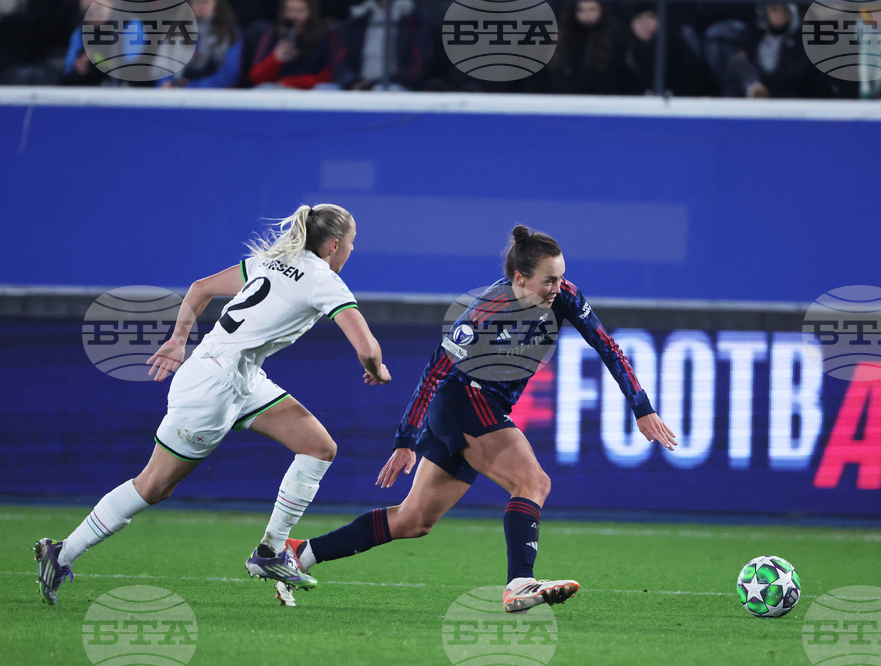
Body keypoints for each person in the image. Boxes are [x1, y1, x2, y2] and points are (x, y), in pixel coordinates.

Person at [273, 225, 677, 611]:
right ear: (520, 278)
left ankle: (299, 554)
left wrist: (642, 408)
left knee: (413, 520)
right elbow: (435, 371)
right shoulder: (487, 311)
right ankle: (520, 583)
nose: (559, 287)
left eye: (561, 277)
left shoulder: (565, 296)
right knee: (533, 482)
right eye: (549, 280)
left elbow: (608, 348)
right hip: (464, 401)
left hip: (478, 409)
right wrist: (405, 441)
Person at [34, 204, 392, 605]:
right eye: (353, 243)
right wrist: (376, 370)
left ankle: (270, 552)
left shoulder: (270, 261)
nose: (352, 250)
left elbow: (200, 287)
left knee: (319, 447)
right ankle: (61, 553)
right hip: (213, 387)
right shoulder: (323, 280)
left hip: (239, 375)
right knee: (154, 485)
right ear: (335, 245)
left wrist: (179, 339)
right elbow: (367, 348)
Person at [248, 0, 335, 89]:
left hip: (311, 90)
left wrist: (292, 82)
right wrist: (275, 59)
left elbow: (329, 75)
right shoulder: (273, 35)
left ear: (311, 12)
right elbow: (255, 77)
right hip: (278, 90)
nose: (294, 16)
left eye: (300, 11)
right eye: (290, 10)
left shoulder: (324, 37)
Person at [159, 0, 243, 89]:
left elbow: (229, 72)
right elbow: (162, 67)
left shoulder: (230, 33)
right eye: (196, 2)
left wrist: (192, 87)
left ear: (216, 3)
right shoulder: (174, 31)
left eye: (205, 2)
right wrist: (166, 83)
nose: (200, 7)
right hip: (177, 91)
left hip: (214, 92)